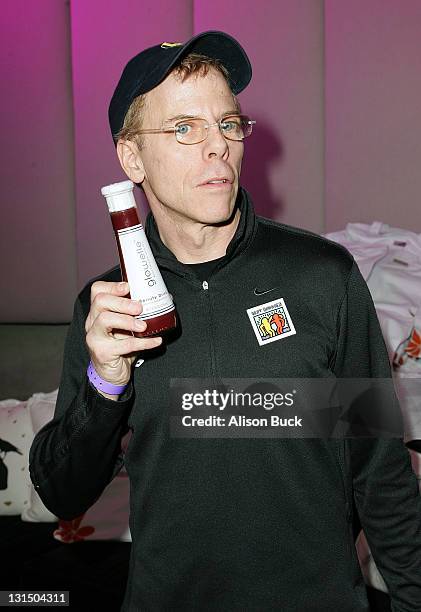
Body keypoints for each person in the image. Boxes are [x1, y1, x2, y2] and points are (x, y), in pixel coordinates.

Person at [29, 31, 421, 611]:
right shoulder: (105, 308)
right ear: (131, 157)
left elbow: (380, 470)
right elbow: (63, 492)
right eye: (184, 128)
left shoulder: (323, 277)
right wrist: (106, 383)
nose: (218, 146)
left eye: (229, 123)